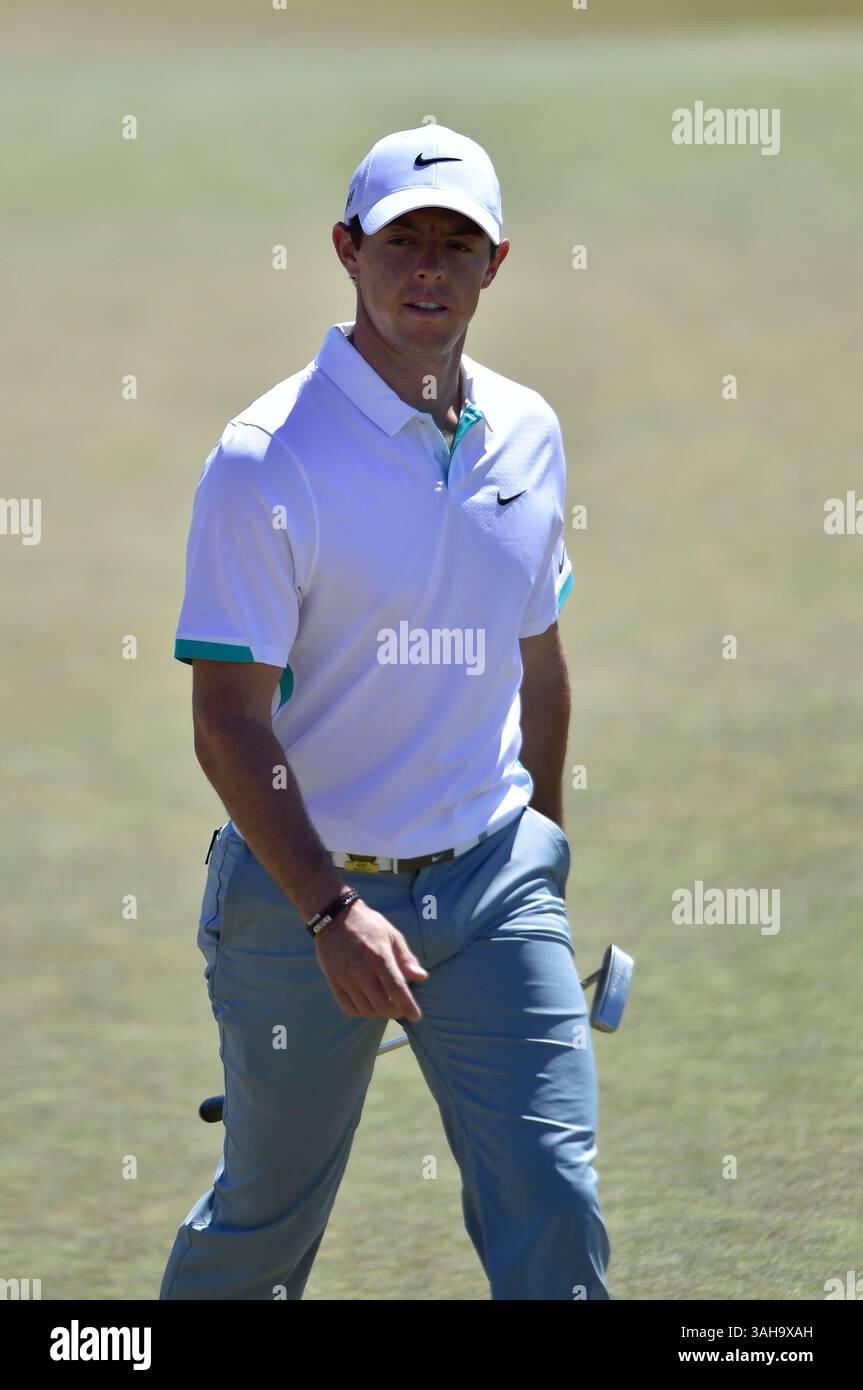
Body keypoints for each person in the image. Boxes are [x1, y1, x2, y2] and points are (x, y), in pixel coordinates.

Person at [160, 124, 610, 1300]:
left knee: (555, 1205)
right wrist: (329, 912)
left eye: (456, 243)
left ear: (494, 264)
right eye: (401, 238)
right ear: (345, 249)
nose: (427, 268)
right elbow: (226, 720)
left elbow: (538, 661)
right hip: (297, 896)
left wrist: (543, 851)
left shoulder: (529, 432)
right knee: (263, 1224)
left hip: (492, 882)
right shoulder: (265, 459)